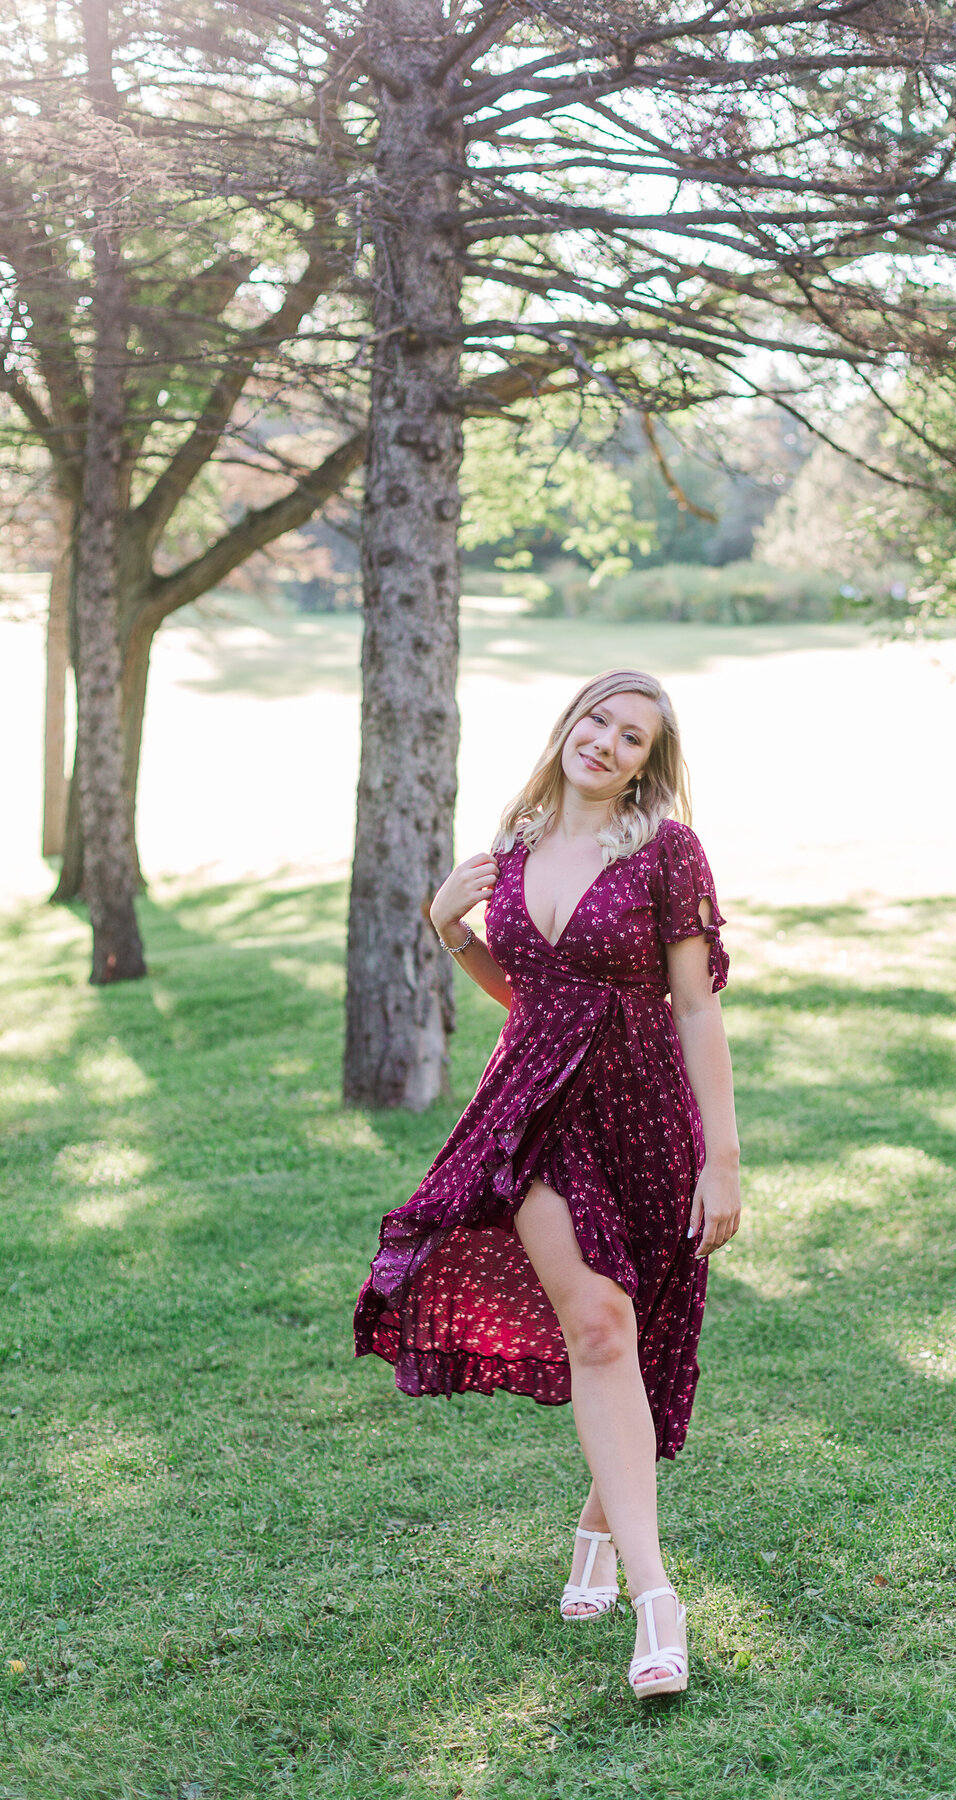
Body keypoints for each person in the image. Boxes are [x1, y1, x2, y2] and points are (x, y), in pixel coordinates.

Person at [353, 669, 741, 1698]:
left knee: (647, 1329)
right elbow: (532, 997)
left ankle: (597, 1532)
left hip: (649, 1114)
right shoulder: (513, 849)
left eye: (632, 739)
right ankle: (659, 1603)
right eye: (598, 722)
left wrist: (723, 1157)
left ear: (646, 766)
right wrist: (454, 930)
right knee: (601, 1327)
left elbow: (696, 1010)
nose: (607, 744)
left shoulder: (666, 852)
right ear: (569, 725)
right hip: (534, 1115)